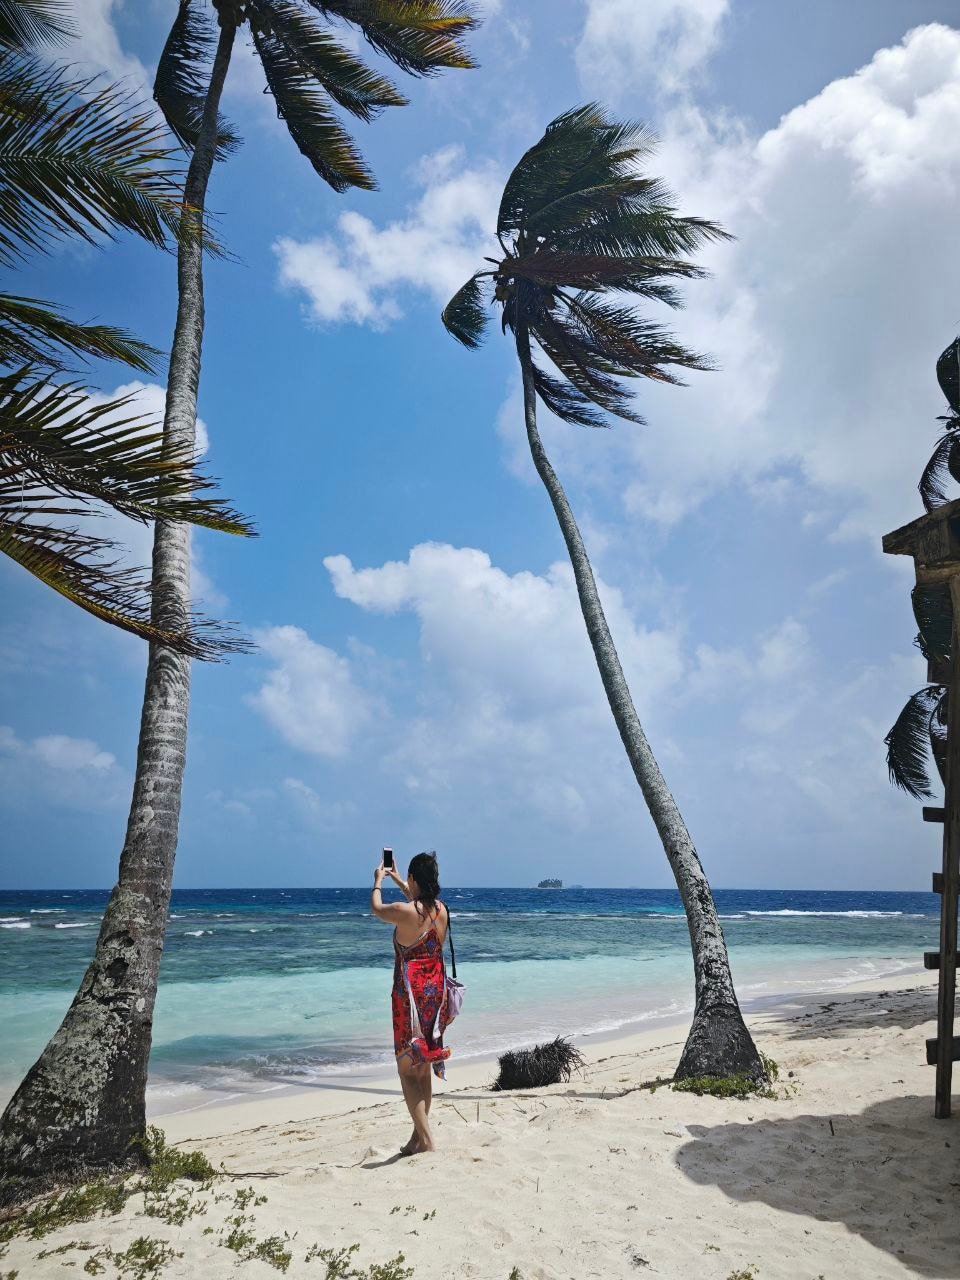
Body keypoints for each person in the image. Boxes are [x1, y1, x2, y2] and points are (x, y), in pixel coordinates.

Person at [371, 850, 452, 1155]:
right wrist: (401, 880)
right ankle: (418, 1138)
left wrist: (378, 881)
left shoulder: (406, 912)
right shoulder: (440, 911)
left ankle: (428, 1140)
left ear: (416, 879)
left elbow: (377, 909)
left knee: (407, 1070)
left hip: (408, 999)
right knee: (423, 1066)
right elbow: (419, 903)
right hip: (433, 998)